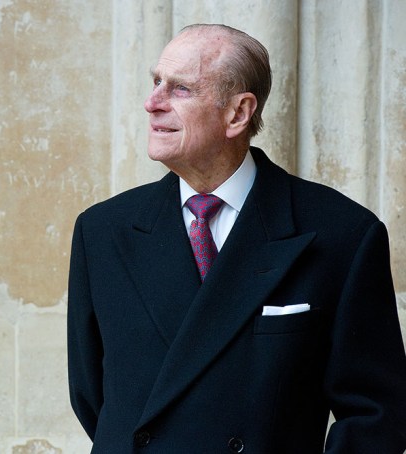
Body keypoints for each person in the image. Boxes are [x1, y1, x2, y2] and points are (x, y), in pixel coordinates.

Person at [67, 23, 406, 453]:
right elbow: (92, 398)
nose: (152, 103)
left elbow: (375, 415)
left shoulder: (343, 234)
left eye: (180, 89)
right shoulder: (102, 231)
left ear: (238, 113)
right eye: (156, 82)